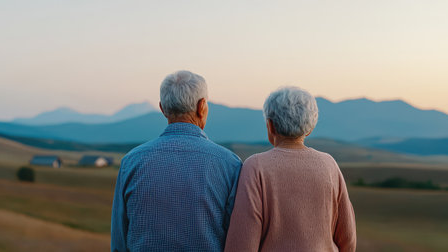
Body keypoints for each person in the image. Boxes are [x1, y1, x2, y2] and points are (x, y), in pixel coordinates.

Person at [111, 70, 242, 252]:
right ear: (201, 106)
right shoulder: (230, 165)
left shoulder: (130, 162)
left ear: (162, 108)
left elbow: (119, 242)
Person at [225, 87, 356, 252]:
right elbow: (348, 240)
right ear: (310, 128)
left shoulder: (256, 167)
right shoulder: (329, 165)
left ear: (270, 126)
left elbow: (241, 245)